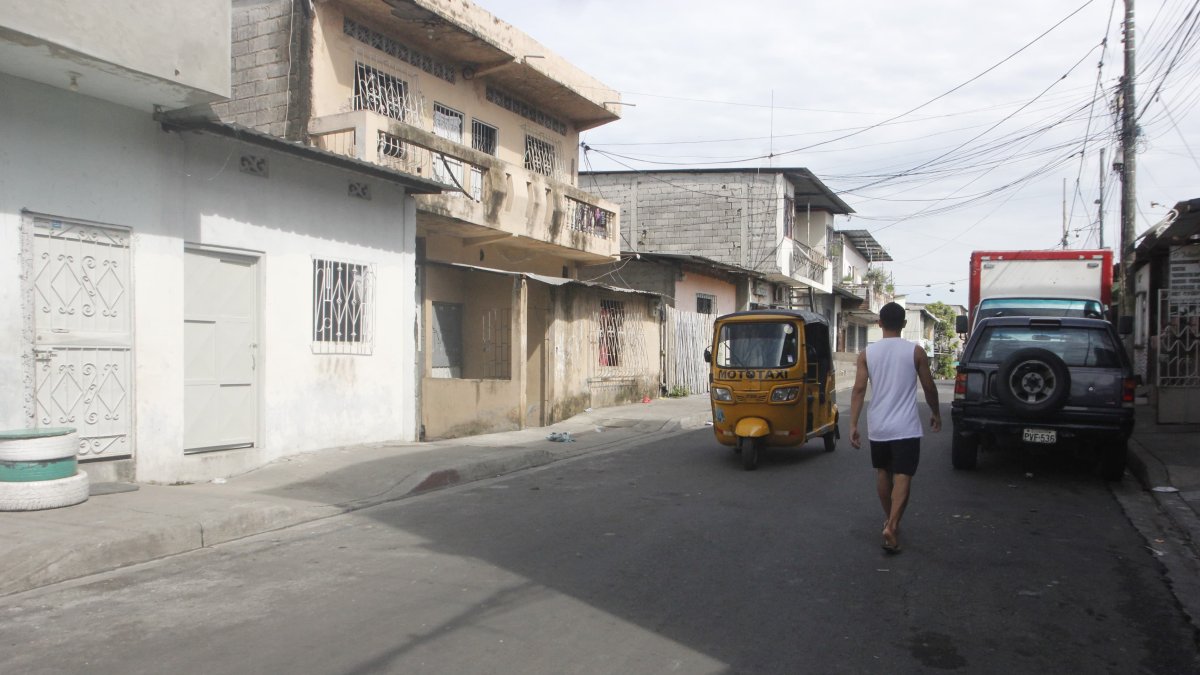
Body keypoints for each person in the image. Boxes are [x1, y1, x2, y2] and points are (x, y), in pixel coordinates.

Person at [848, 302, 941, 553]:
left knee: (883, 472)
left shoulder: (867, 354)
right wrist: (935, 413)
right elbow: (929, 387)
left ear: (879, 323)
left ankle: (890, 520)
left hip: (878, 426)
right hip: (906, 427)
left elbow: (858, 389)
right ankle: (892, 525)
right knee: (903, 475)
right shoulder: (916, 352)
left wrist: (853, 424)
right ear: (904, 324)